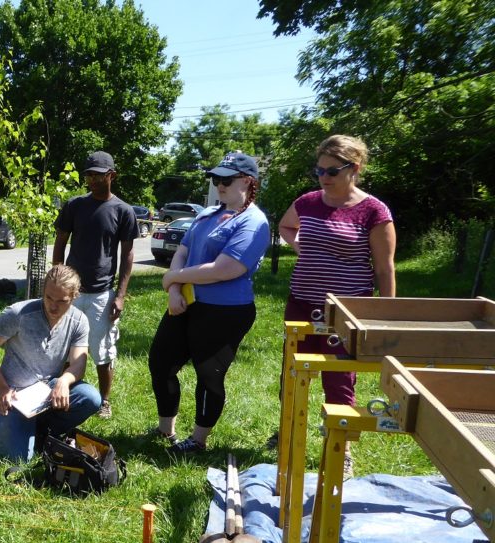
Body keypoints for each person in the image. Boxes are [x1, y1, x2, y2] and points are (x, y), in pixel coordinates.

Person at [277, 135, 396, 474]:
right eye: (319, 170)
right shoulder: (308, 202)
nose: (323, 177)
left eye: (332, 170)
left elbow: (385, 268)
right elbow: (286, 226)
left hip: (347, 310)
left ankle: (340, 450)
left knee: (339, 377)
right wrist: (302, 246)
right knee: (294, 371)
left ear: (354, 168)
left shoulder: (373, 211)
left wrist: (384, 318)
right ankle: (288, 431)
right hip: (301, 302)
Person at [148, 151, 271, 453]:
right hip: (187, 301)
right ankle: (166, 431)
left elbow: (225, 270)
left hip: (225, 311)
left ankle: (198, 439)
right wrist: (174, 286)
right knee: (161, 362)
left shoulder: (254, 222)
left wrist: (174, 278)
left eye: (226, 180)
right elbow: (182, 251)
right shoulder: (207, 214)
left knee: (208, 374)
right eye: (216, 179)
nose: (220, 185)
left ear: (248, 181)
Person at [0, 265, 102, 462]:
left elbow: (79, 363)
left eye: (62, 301)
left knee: (92, 398)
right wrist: (2, 388)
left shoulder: (79, 321)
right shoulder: (18, 314)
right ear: (43, 291)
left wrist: (64, 380)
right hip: (15, 396)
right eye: (49, 297)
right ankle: (4, 425)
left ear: (75, 296)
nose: (53, 306)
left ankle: (43, 428)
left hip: (48, 390)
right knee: (18, 459)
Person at [52, 150, 139, 421]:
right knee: (63, 346)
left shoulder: (123, 211)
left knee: (102, 350)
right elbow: (60, 242)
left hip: (102, 293)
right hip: (70, 292)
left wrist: (121, 295)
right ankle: (63, 393)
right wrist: (56, 277)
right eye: (88, 174)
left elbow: (127, 255)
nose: (91, 179)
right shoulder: (75, 205)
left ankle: (104, 401)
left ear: (112, 175)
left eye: (98, 175)